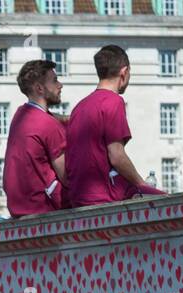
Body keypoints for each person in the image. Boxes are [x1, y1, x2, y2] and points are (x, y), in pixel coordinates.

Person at [66, 45, 163, 207]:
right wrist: (142, 185)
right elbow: (116, 155)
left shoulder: (80, 106)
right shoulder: (113, 101)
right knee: (164, 200)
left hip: (78, 195)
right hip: (104, 195)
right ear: (124, 72)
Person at [4, 59, 68, 217]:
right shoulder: (48, 125)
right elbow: (67, 176)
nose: (60, 85)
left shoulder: (20, 115)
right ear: (39, 88)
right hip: (46, 210)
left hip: (19, 208)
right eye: (54, 80)